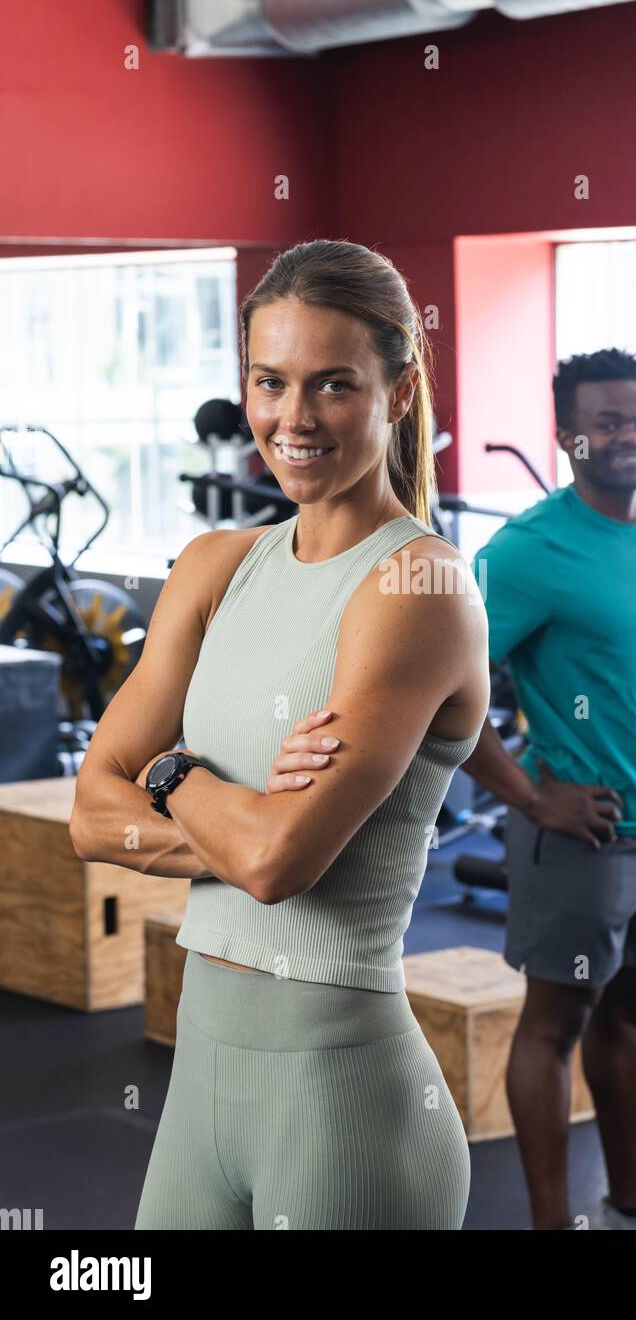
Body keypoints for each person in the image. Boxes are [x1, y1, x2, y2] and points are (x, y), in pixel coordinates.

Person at [70, 239, 490, 1231]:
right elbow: (92, 817)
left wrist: (171, 774)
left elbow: (275, 863)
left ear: (396, 393)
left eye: (333, 384)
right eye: (270, 381)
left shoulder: (417, 588)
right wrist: (234, 808)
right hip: (200, 1076)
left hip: (344, 1101)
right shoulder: (214, 566)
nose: (292, 418)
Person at [464, 348, 636, 1231]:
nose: (630, 436)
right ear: (569, 434)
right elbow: (439, 691)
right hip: (580, 837)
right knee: (554, 1022)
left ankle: (629, 1206)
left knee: (630, 1014)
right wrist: (529, 796)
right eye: (610, 422)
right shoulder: (526, 553)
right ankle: (554, 1226)